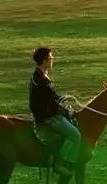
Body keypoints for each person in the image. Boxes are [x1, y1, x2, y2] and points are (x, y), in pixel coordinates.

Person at [29, 47, 81, 176]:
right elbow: (51, 105)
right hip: (48, 117)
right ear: (45, 60)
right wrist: (67, 112)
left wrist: (63, 98)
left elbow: (51, 97)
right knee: (76, 135)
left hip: (48, 113)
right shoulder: (41, 80)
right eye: (51, 58)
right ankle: (59, 163)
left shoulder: (41, 76)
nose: (52, 61)